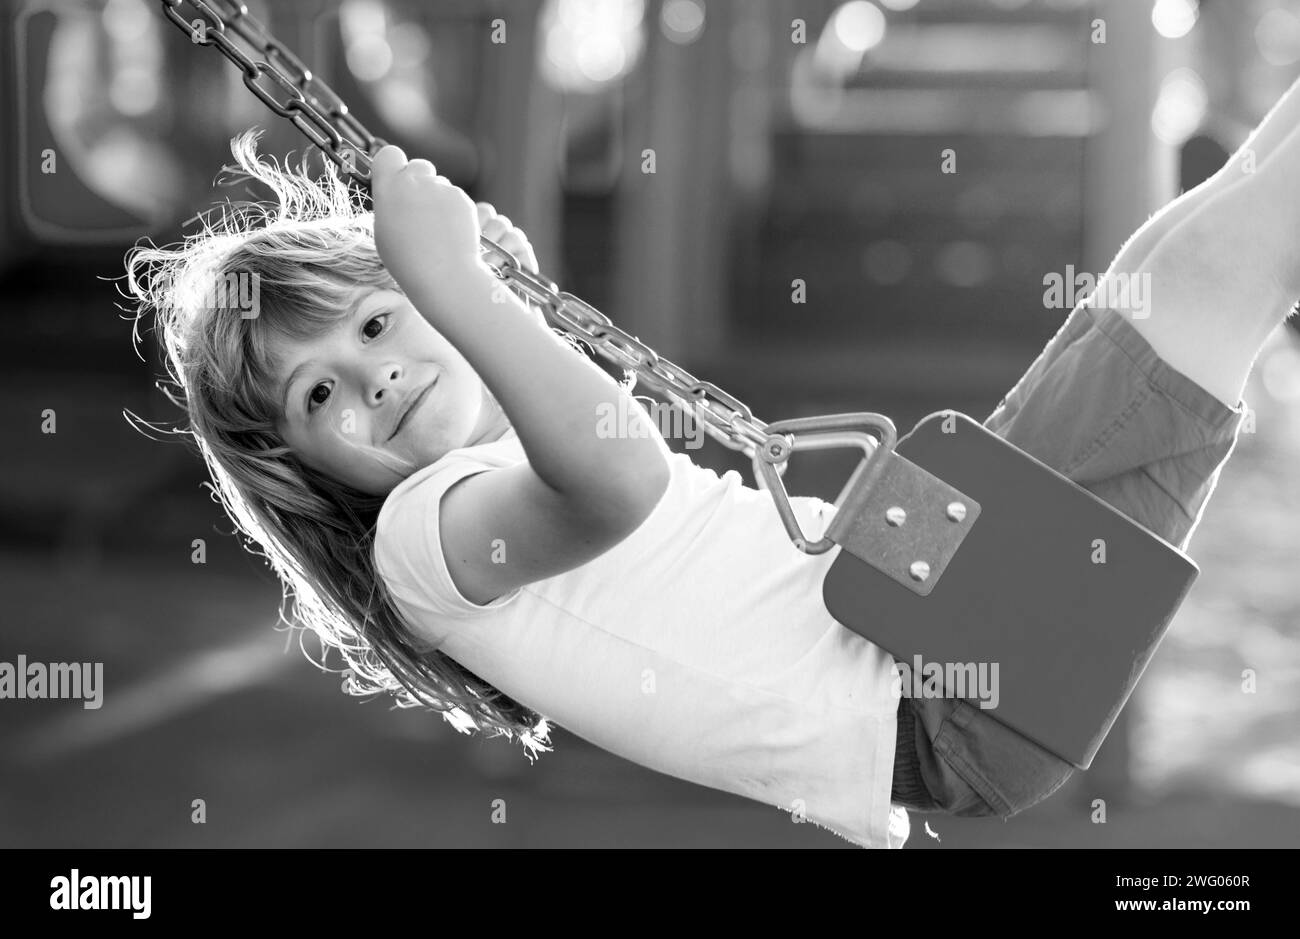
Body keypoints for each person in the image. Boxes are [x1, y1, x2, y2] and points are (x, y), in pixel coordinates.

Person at [123, 67, 1300, 844]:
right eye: (317, 390)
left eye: (376, 321)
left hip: (926, 605)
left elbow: (574, 433)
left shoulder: (489, 467)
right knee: (1213, 275)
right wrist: (450, 288)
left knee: (1180, 250)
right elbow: (615, 475)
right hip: (939, 697)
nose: (370, 376)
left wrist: (494, 296)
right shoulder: (421, 544)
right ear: (296, 466)